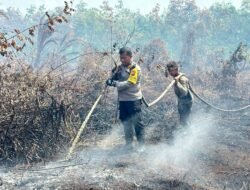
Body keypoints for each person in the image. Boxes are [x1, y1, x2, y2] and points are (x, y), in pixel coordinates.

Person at [106, 47, 145, 151]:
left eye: (124, 58)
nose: (122, 60)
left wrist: (115, 84)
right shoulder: (120, 67)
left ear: (130, 57)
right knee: (126, 122)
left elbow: (130, 83)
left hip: (133, 100)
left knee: (137, 122)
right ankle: (129, 144)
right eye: (121, 58)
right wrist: (110, 79)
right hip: (123, 100)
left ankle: (141, 146)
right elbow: (114, 77)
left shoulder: (135, 69)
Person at [166, 61, 193, 127]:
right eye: (169, 71)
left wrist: (177, 83)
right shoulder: (176, 76)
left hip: (186, 101)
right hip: (181, 100)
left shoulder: (182, 79)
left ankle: (189, 132)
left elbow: (185, 92)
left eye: (171, 71)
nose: (170, 73)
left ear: (176, 69)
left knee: (184, 119)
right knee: (182, 119)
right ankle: (185, 131)